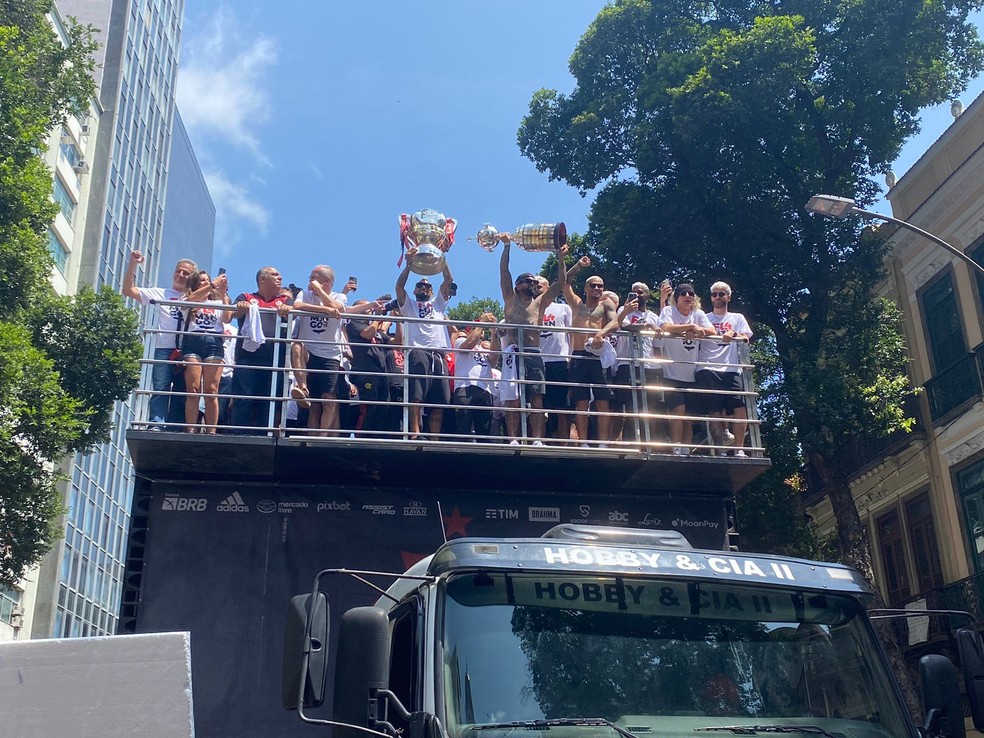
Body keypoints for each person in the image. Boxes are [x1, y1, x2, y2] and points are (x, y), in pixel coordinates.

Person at [497, 235, 565, 444]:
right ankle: (513, 439)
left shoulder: (540, 303)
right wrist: (506, 246)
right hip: (513, 352)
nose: (533, 284)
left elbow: (560, 283)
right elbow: (504, 271)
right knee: (513, 399)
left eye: (535, 282)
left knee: (537, 399)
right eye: (529, 281)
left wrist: (561, 258)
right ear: (518, 285)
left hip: (534, 353)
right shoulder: (510, 298)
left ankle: (537, 439)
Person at [122, 251, 196, 429]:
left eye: (186, 273)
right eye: (178, 271)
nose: (181, 275)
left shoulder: (197, 297)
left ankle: (177, 426)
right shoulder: (161, 293)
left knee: (184, 389)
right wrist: (133, 264)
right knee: (161, 387)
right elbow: (128, 290)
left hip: (188, 349)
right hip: (163, 348)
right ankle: (157, 423)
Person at [395, 247, 455, 439]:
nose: (423, 288)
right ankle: (415, 433)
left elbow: (448, 281)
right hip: (418, 352)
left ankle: (434, 438)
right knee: (416, 395)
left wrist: (441, 257)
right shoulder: (409, 305)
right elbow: (399, 287)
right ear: (415, 290)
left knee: (439, 400)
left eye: (427, 286)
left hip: (439, 354)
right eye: (420, 285)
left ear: (431, 290)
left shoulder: (438, 304)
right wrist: (408, 265)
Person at [561, 253, 620, 447]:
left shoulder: (605, 304)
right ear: (586, 288)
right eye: (593, 285)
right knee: (581, 401)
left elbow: (615, 322)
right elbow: (564, 282)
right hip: (579, 355)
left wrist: (600, 333)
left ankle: (603, 443)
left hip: (597, 355)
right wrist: (578, 265)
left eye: (600, 286)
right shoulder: (576, 303)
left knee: (603, 401)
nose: (597, 288)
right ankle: (584, 442)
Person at [229, 266, 294, 433]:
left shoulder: (285, 300)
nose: (280, 278)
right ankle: (239, 435)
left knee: (268, 400)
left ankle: (263, 436)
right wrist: (239, 308)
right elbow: (231, 315)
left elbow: (295, 312)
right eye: (275, 275)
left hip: (275, 359)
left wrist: (289, 310)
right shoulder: (245, 297)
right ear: (262, 279)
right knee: (244, 398)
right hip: (247, 357)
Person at [658, 283, 717, 454]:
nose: (687, 296)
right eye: (683, 293)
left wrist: (698, 330)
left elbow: (712, 330)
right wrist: (689, 327)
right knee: (678, 410)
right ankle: (676, 446)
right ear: (676, 298)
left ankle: (686, 449)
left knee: (689, 416)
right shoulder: (669, 311)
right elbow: (665, 327)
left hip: (691, 374)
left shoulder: (698, 314)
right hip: (671, 372)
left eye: (690, 293)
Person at [696, 281, 754, 455]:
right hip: (707, 366)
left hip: (731, 368)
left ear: (728, 297)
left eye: (721, 294)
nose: (717, 297)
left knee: (739, 408)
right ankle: (719, 449)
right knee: (714, 410)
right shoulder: (703, 317)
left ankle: (739, 449)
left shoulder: (737, 318)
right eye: (714, 294)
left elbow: (745, 337)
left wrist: (733, 333)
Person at [180, 269, 232, 433]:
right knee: (193, 389)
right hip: (193, 341)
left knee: (211, 391)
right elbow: (189, 300)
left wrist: (223, 293)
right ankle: (190, 429)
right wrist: (212, 285)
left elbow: (227, 318)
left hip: (214, 343)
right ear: (195, 284)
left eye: (207, 280)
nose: (206, 283)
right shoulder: (188, 300)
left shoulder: (217, 303)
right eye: (201, 281)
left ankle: (211, 431)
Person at [611, 282, 661, 445]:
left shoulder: (654, 316)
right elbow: (622, 325)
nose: (637, 296)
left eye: (640, 292)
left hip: (647, 364)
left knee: (649, 405)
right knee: (627, 404)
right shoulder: (624, 310)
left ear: (647, 295)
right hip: (626, 363)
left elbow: (657, 344)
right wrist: (645, 325)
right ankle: (628, 442)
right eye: (633, 293)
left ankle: (648, 442)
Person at [345, 296, 395, 438]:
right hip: (364, 372)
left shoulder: (377, 331)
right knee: (368, 408)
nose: (370, 309)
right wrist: (377, 316)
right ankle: (361, 440)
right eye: (367, 307)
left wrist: (398, 320)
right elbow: (367, 334)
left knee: (383, 408)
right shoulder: (354, 323)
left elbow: (397, 342)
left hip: (381, 374)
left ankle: (376, 440)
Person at [451, 312, 498, 441]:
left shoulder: (484, 349)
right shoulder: (461, 341)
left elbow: (494, 359)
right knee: (463, 428)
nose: (480, 331)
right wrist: (481, 323)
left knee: (484, 432)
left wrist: (494, 332)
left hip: (485, 390)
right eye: (475, 327)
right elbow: (470, 343)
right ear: (469, 331)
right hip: (465, 387)